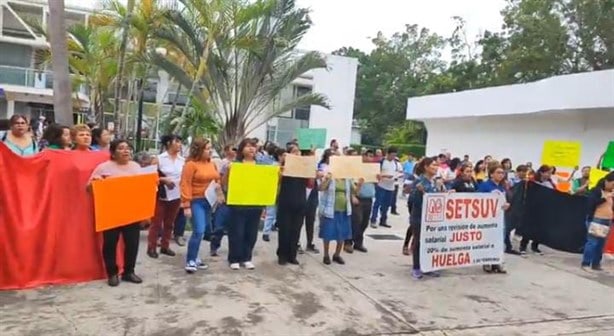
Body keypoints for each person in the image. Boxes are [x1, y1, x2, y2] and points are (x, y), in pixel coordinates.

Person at [88, 139, 144, 287]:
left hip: (131, 211)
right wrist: (95, 182)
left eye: (128, 148)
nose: (126, 151)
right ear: (113, 152)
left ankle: (129, 272)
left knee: (132, 243)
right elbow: (88, 188)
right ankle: (112, 273)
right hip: (110, 212)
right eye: (121, 148)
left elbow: (143, 189)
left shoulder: (136, 167)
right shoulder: (103, 167)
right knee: (110, 243)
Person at [180, 138, 224, 273]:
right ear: (199, 150)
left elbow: (216, 179)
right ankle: (191, 260)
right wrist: (186, 205)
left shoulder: (212, 164)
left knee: (203, 230)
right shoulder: (191, 165)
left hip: (209, 201)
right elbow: (185, 183)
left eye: (211, 148)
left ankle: (196, 256)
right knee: (198, 230)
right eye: (207, 148)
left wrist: (219, 193)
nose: (210, 151)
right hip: (196, 201)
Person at [222, 138, 264, 270]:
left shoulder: (261, 166)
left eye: (253, 146)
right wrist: (228, 172)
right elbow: (224, 183)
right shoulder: (234, 164)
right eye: (248, 146)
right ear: (241, 149)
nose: (251, 149)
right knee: (237, 232)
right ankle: (234, 258)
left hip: (255, 204)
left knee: (251, 233)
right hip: (238, 203)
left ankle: (246, 257)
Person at [147, 135, 185, 259]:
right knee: (156, 222)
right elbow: (150, 176)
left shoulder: (182, 160)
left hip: (176, 194)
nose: (179, 144)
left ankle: (165, 245)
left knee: (170, 222)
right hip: (161, 194)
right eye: (177, 142)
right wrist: (163, 179)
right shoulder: (158, 159)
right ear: (169, 143)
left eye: (180, 142)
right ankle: (151, 247)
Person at [276, 145, 309, 265]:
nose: (297, 154)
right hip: (286, 202)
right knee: (284, 230)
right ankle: (282, 255)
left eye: (298, 151)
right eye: (294, 152)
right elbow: (277, 180)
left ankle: (292, 255)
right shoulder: (284, 168)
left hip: (300, 202)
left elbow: (310, 183)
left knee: (296, 230)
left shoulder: (303, 168)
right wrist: (281, 164)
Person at [318, 170, 360, 265]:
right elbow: (320, 188)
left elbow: (355, 191)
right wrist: (327, 179)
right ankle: (326, 255)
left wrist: (360, 184)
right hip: (330, 210)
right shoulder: (330, 177)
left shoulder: (348, 179)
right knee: (328, 233)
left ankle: (337, 254)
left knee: (342, 233)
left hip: (344, 210)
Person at [409, 157, 441, 279]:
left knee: (429, 243)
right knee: (418, 242)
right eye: (433, 165)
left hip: (431, 218)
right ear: (426, 167)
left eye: (437, 165)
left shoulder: (434, 182)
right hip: (419, 217)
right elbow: (413, 201)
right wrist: (421, 194)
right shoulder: (419, 182)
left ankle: (426, 266)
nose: (435, 168)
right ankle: (416, 267)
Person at [477, 162, 511, 274]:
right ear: (491, 174)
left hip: (500, 218)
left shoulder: (501, 187)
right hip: (488, 219)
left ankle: (497, 261)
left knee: (499, 240)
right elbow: (478, 201)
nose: (501, 175)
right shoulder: (485, 186)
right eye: (498, 172)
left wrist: (506, 205)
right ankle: (487, 261)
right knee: (488, 239)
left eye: (502, 173)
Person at [581, 172, 614, 271]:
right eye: (613, 184)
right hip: (597, 219)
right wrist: (606, 197)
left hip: (607, 220)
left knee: (601, 244)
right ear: (607, 181)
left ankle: (596, 264)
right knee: (592, 242)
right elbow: (592, 204)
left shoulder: (611, 193)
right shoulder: (596, 191)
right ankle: (586, 263)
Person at [370, 147, 398, 228]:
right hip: (381, 185)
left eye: (394, 156)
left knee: (386, 205)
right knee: (377, 203)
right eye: (392, 155)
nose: (393, 157)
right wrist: (384, 176)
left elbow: (397, 172)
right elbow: (376, 173)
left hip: (391, 186)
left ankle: (383, 220)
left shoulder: (395, 163)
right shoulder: (382, 162)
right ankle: (373, 219)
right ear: (388, 154)